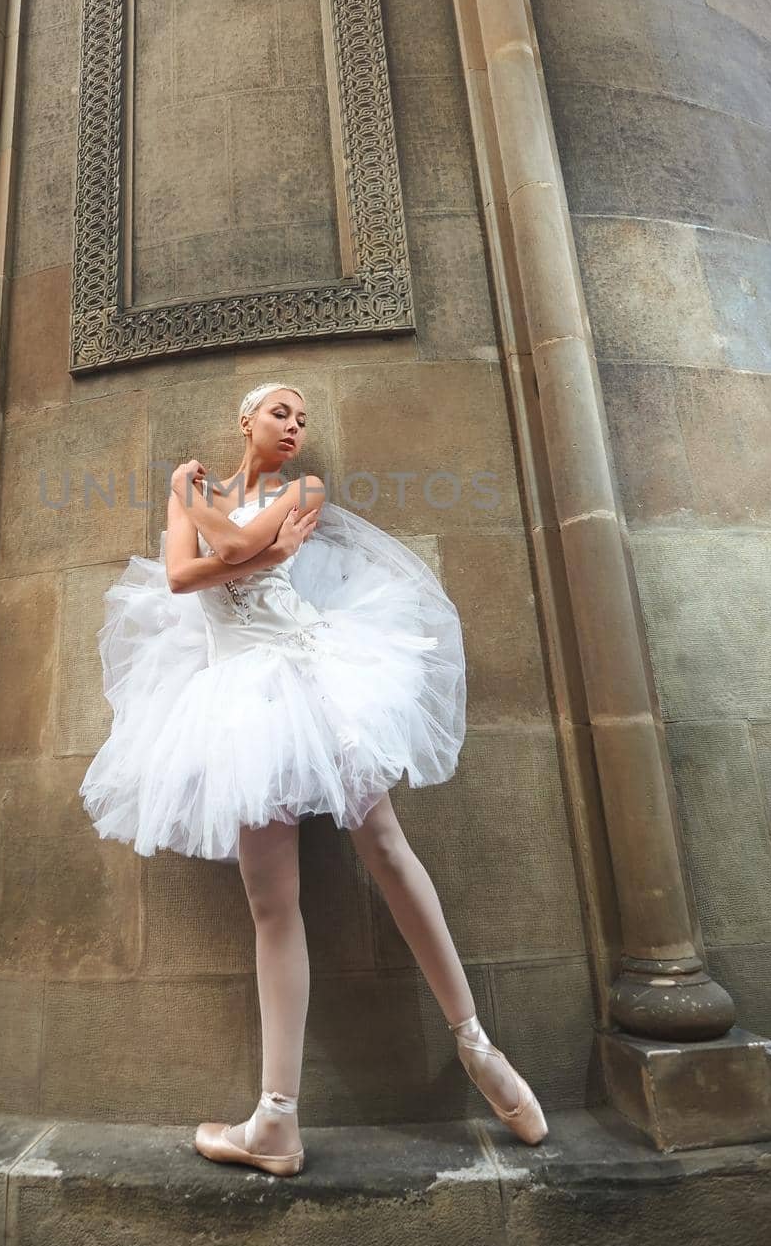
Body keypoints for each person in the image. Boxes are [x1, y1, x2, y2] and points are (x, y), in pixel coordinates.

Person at [79, 381, 547, 1175]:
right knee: (272, 905)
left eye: (302, 417)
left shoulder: (302, 488)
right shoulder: (200, 491)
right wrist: (258, 544)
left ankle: (477, 1045)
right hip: (236, 700)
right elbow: (181, 579)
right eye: (279, 413)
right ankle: (277, 1121)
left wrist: (213, 522)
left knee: (389, 850)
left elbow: (220, 554)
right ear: (246, 421)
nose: (294, 426)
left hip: (311, 674)